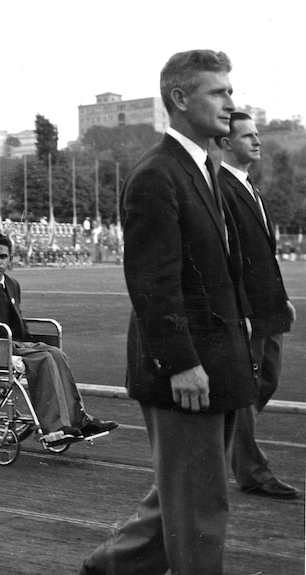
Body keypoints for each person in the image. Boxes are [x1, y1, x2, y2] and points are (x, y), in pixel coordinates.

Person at [80, 50, 254, 575]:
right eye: (218, 92)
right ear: (180, 99)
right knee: (200, 507)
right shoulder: (159, 173)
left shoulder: (200, 167)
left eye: (229, 90)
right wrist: (181, 361)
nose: (230, 102)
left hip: (213, 358)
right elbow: (153, 281)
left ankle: (110, 569)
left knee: (182, 498)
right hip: (185, 367)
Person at [0, 232, 117, 447]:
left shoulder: (12, 284)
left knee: (56, 354)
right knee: (42, 359)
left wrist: (34, 343)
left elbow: (18, 324)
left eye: (3, 256)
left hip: (10, 343)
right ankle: (55, 428)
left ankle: (79, 420)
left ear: (10, 259)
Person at [215, 112, 299, 499]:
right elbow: (228, 258)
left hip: (269, 306)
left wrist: (281, 297)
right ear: (225, 143)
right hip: (247, 312)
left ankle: (218, 442)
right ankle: (251, 471)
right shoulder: (221, 188)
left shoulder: (250, 187)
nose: (258, 140)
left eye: (257, 134)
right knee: (247, 389)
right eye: (248, 136)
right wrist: (243, 311)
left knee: (267, 380)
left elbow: (263, 253)